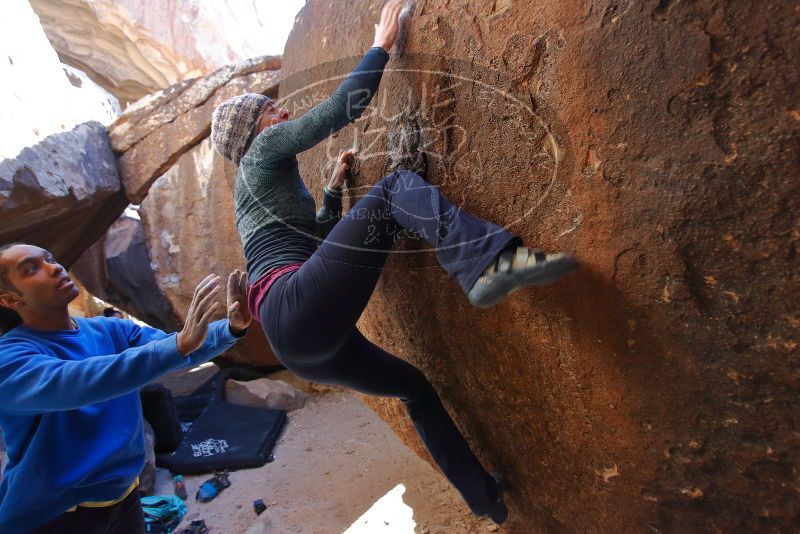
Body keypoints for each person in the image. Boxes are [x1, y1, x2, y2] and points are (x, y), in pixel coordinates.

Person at [210, 0, 577, 523]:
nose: (281, 112)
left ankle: (483, 497)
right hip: (294, 306)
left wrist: (333, 190)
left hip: (301, 341)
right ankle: (487, 263)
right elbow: (339, 111)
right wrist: (381, 45)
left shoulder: (255, 189)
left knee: (414, 389)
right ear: (254, 128)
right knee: (396, 188)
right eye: (269, 111)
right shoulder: (263, 150)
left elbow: (314, 240)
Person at [0, 243, 252, 533]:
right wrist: (177, 345)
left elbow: (181, 349)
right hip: (54, 516)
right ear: (9, 299)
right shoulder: (9, 357)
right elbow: (77, 382)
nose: (54, 267)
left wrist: (232, 328)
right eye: (32, 269)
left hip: (124, 498)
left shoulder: (110, 330)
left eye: (50, 259)